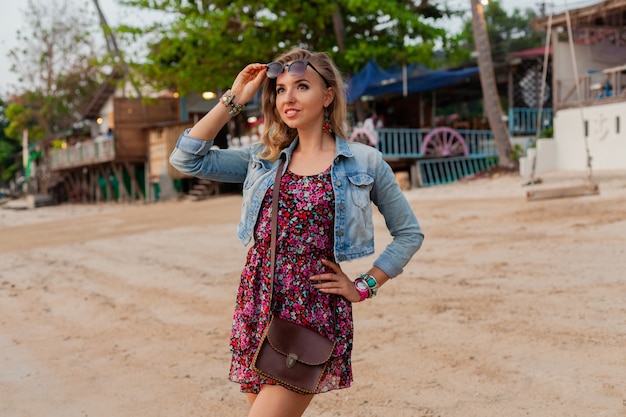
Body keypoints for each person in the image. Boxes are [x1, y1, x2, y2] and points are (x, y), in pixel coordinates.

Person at [169, 48, 424, 417]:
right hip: (257, 301)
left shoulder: (364, 161)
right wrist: (235, 97)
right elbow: (187, 158)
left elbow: (409, 234)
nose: (288, 97)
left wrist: (364, 286)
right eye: (281, 89)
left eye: (302, 86)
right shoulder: (263, 157)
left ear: (328, 96)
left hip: (312, 308)